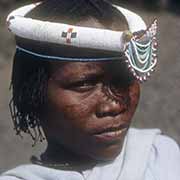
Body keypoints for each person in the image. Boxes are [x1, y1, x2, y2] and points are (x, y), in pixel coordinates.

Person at [1, 0, 180, 179]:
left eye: (124, 80)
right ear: (31, 93)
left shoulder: (160, 154)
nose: (112, 107)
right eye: (84, 84)